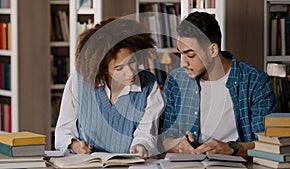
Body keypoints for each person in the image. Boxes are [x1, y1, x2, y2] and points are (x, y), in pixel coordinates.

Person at [159, 12, 277, 157]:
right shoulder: (175, 80)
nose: (183, 63)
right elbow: (162, 138)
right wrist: (175, 145)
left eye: (190, 55)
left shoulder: (256, 82)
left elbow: (268, 145)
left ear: (213, 50)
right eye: (180, 54)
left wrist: (232, 148)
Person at [55, 17, 165, 158]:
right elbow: (63, 131)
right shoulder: (80, 80)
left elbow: (147, 133)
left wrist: (141, 146)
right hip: (88, 165)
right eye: (119, 68)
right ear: (104, 69)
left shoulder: (149, 85)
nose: (131, 72)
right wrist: (75, 145)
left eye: (132, 61)